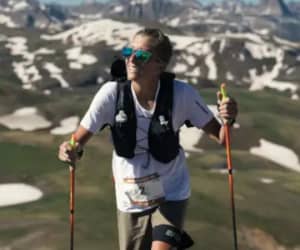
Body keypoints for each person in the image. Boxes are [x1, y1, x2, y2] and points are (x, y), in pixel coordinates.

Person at [58, 28, 238, 250]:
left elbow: (222, 139)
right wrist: (68, 151)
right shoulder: (111, 95)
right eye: (128, 51)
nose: (131, 59)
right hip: (131, 198)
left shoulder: (182, 94)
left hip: (171, 191)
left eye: (141, 55)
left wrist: (228, 119)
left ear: (160, 65)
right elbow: (76, 143)